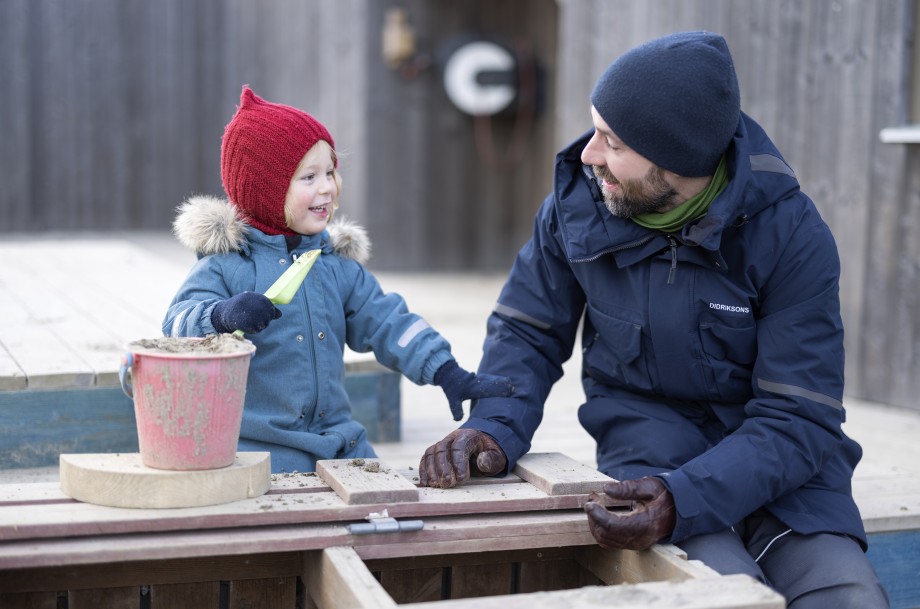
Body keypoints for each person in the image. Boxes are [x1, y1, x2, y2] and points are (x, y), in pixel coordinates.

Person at [417, 31, 889, 608]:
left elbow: (798, 417)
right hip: (652, 461)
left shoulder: (791, 235)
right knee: (724, 597)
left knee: (850, 598)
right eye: (595, 130)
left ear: (678, 159)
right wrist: (492, 424)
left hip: (788, 480)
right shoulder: (577, 206)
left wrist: (684, 496)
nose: (589, 154)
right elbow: (528, 332)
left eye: (612, 142)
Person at [164, 86, 512, 474]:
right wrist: (223, 316)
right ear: (265, 191)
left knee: (387, 505)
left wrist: (446, 371)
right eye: (309, 176)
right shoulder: (226, 266)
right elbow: (176, 325)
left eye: (330, 172)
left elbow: (387, 320)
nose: (328, 187)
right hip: (259, 448)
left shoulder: (333, 265)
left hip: (340, 441)